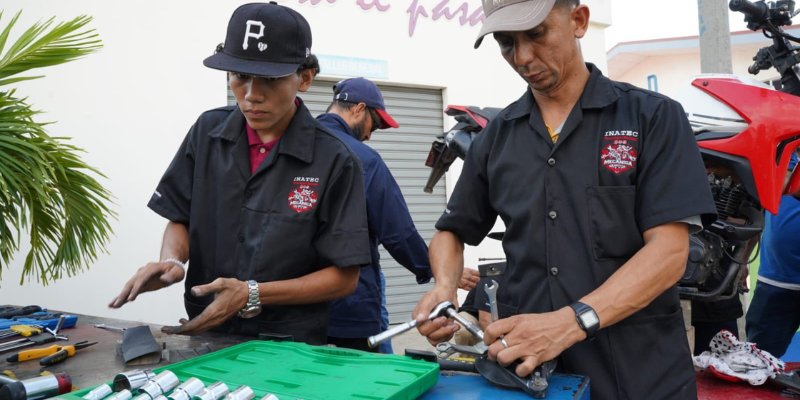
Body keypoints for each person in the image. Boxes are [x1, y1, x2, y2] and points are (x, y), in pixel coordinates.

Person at [412, 0, 717, 398]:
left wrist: (569, 323)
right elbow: (452, 232)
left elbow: (669, 252)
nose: (522, 57)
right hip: (534, 376)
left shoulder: (651, 117)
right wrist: (445, 287)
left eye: (537, 34)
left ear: (578, 20)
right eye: (506, 43)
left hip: (642, 373)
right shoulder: (496, 137)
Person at [109, 2, 371, 346]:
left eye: (269, 79)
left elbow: (344, 278)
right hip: (207, 333)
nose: (251, 95)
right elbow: (179, 216)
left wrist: (252, 293)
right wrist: (172, 260)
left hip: (289, 345)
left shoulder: (335, 160)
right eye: (239, 76)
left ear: (304, 78)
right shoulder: (206, 133)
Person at [315, 77, 434, 352]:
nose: (370, 134)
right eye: (375, 124)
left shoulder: (288, 148)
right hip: (350, 307)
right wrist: (435, 268)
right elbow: (398, 232)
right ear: (358, 109)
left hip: (289, 310)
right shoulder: (364, 159)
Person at [746, 155, 800, 358]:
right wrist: (743, 259)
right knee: (756, 361)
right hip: (777, 279)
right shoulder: (785, 150)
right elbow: (756, 213)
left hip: (776, 278)